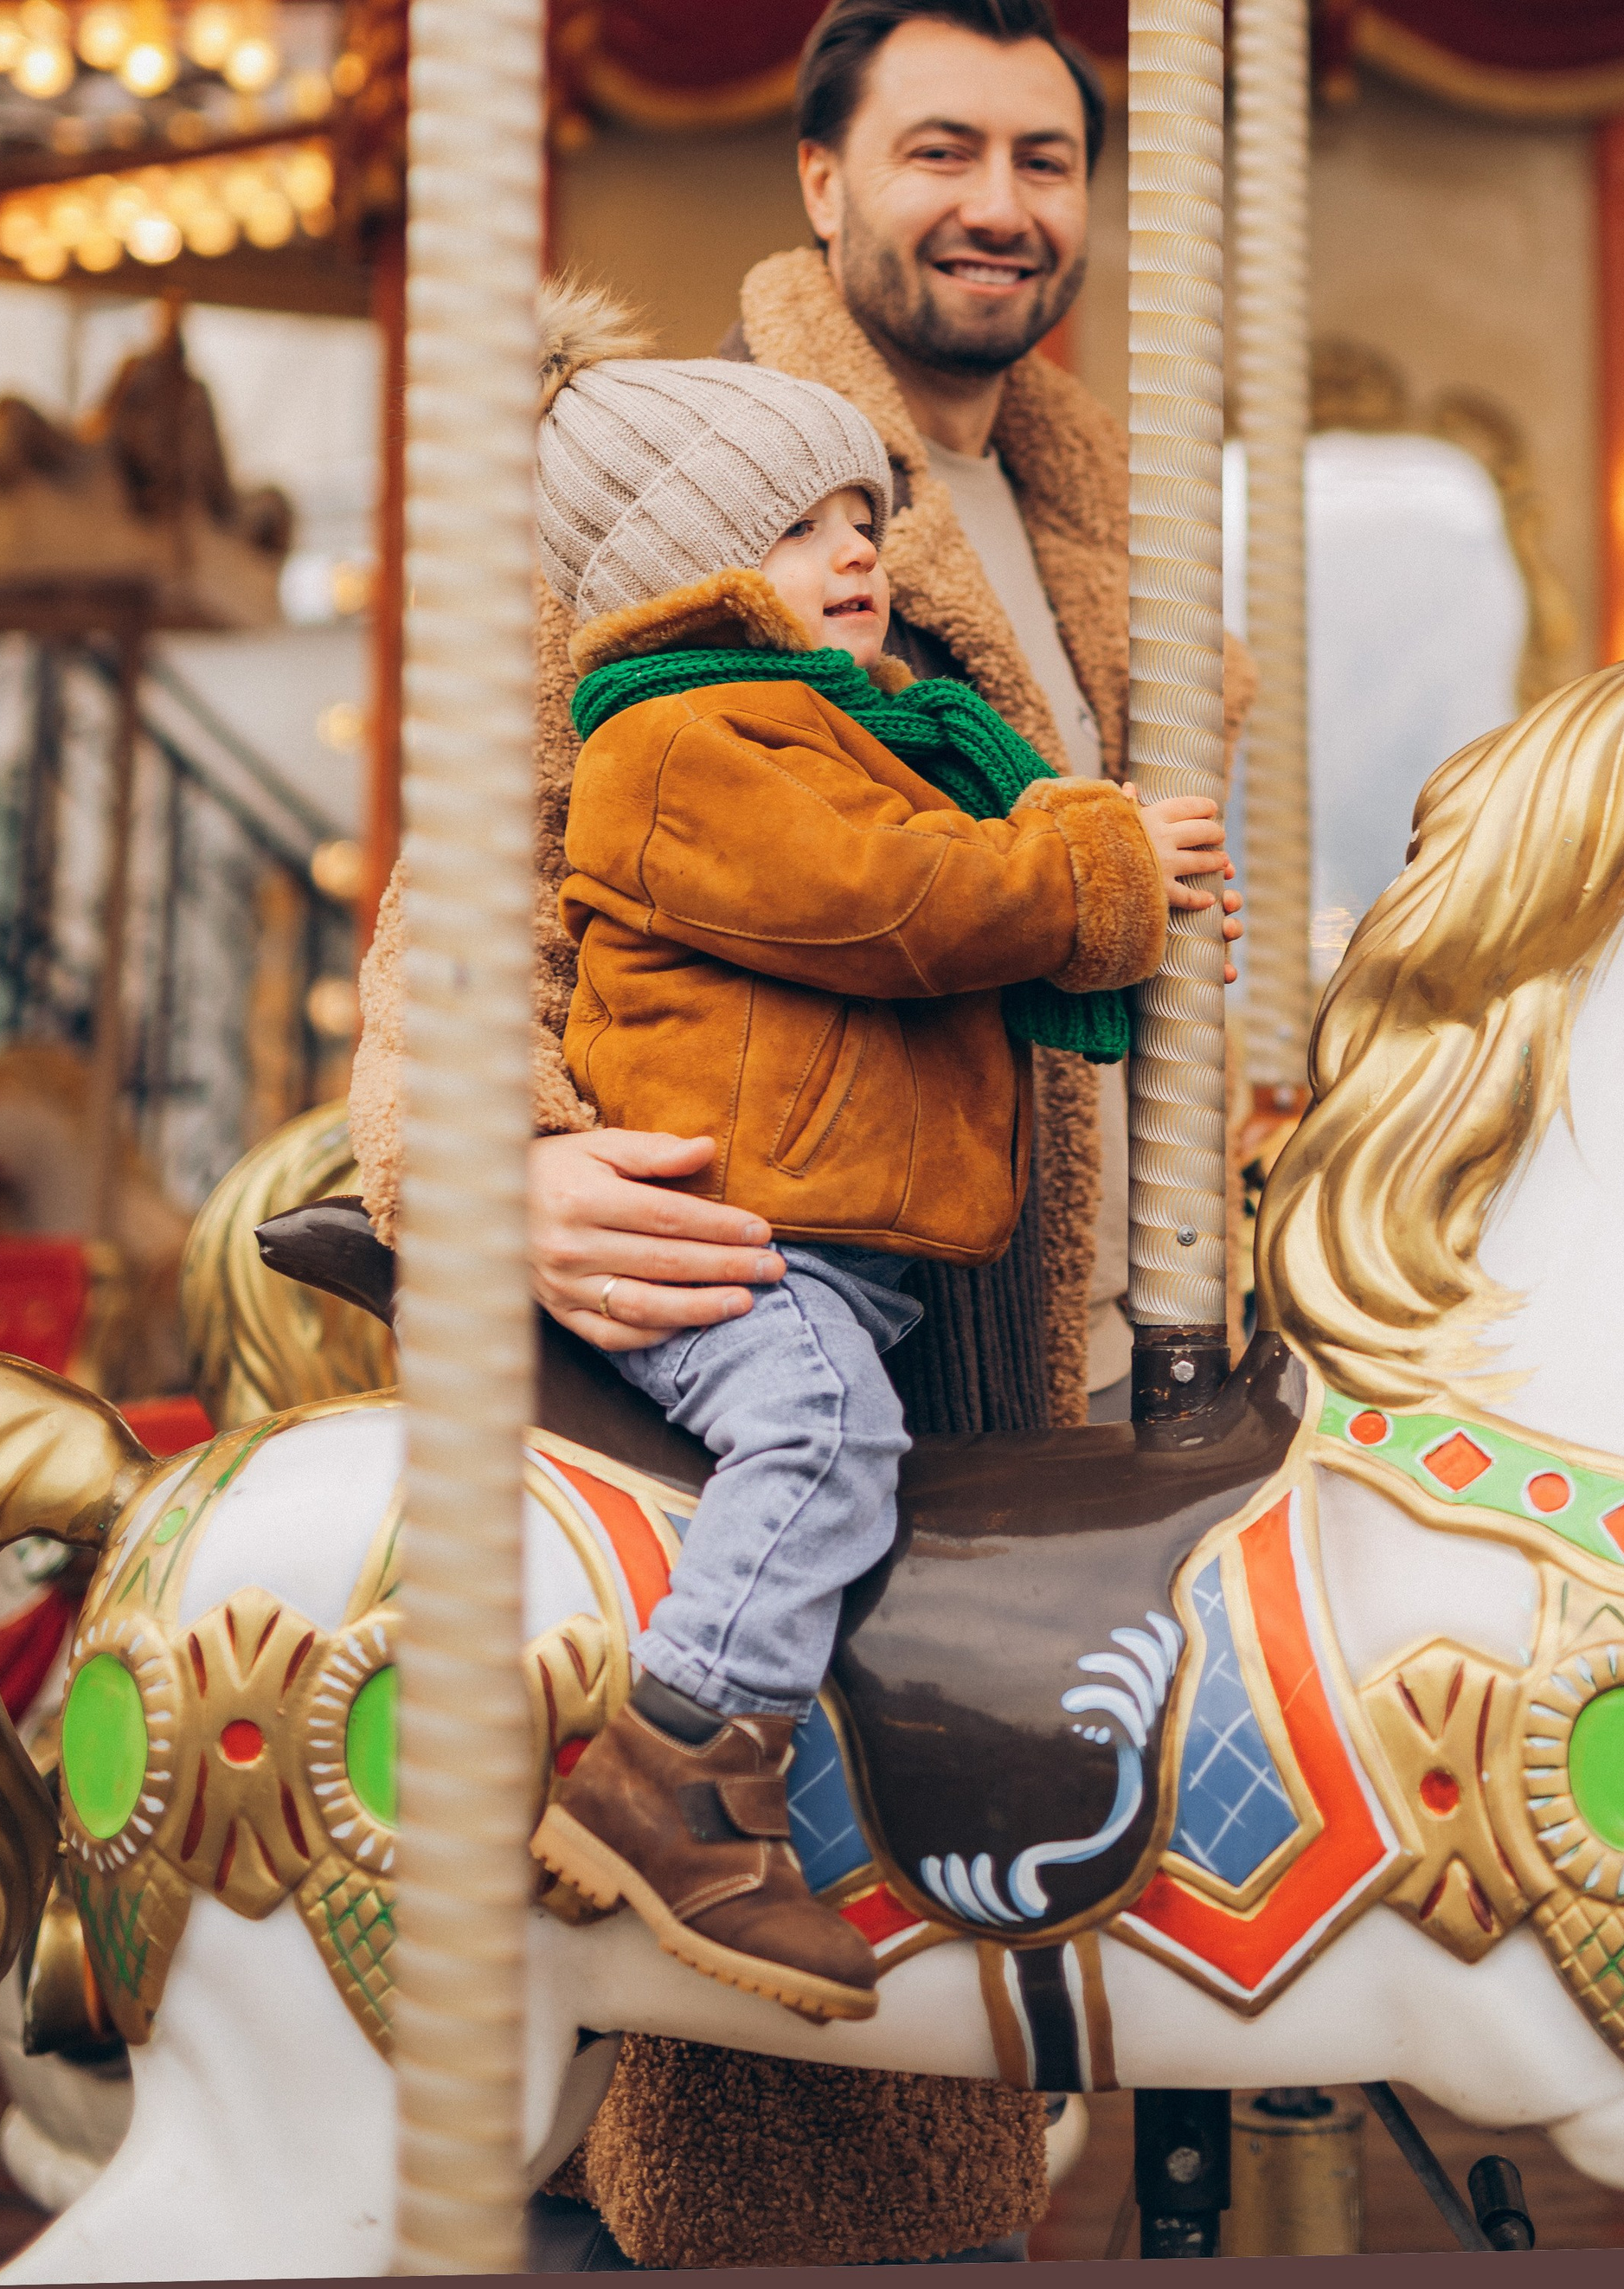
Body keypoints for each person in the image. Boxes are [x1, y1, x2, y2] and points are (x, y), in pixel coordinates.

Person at [347, 0, 1253, 2266]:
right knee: (814, 2113)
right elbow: (467, 920)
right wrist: (504, 1176)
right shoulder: (701, 524)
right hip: (802, 1282)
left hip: (1052, 1346)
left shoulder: (1102, 550)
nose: (999, 201)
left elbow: (1188, 955)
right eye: (941, 148)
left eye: (1045, 158)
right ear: (824, 178)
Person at [520, 320, 1226, 2017]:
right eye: (803, 527)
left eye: (862, 516)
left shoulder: (844, 725)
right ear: (693, 571)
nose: (860, 552)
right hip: (736, 1244)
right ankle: (671, 1767)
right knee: (827, 1431)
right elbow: (894, 899)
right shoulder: (681, 748)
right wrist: (1092, 848)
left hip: (842, 1252)